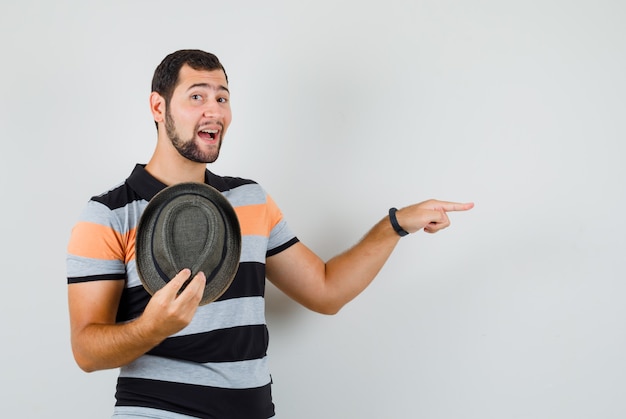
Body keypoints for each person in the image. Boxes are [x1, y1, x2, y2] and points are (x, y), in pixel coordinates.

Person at [66, 49, 474, 419]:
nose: (214, 110)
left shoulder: (249, 199)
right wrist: (153, 327)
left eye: (222, 98)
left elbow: (325, 290)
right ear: (158, 106)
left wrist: (395, 224)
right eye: (197, 96)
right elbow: (86, 350)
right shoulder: (109, 214)